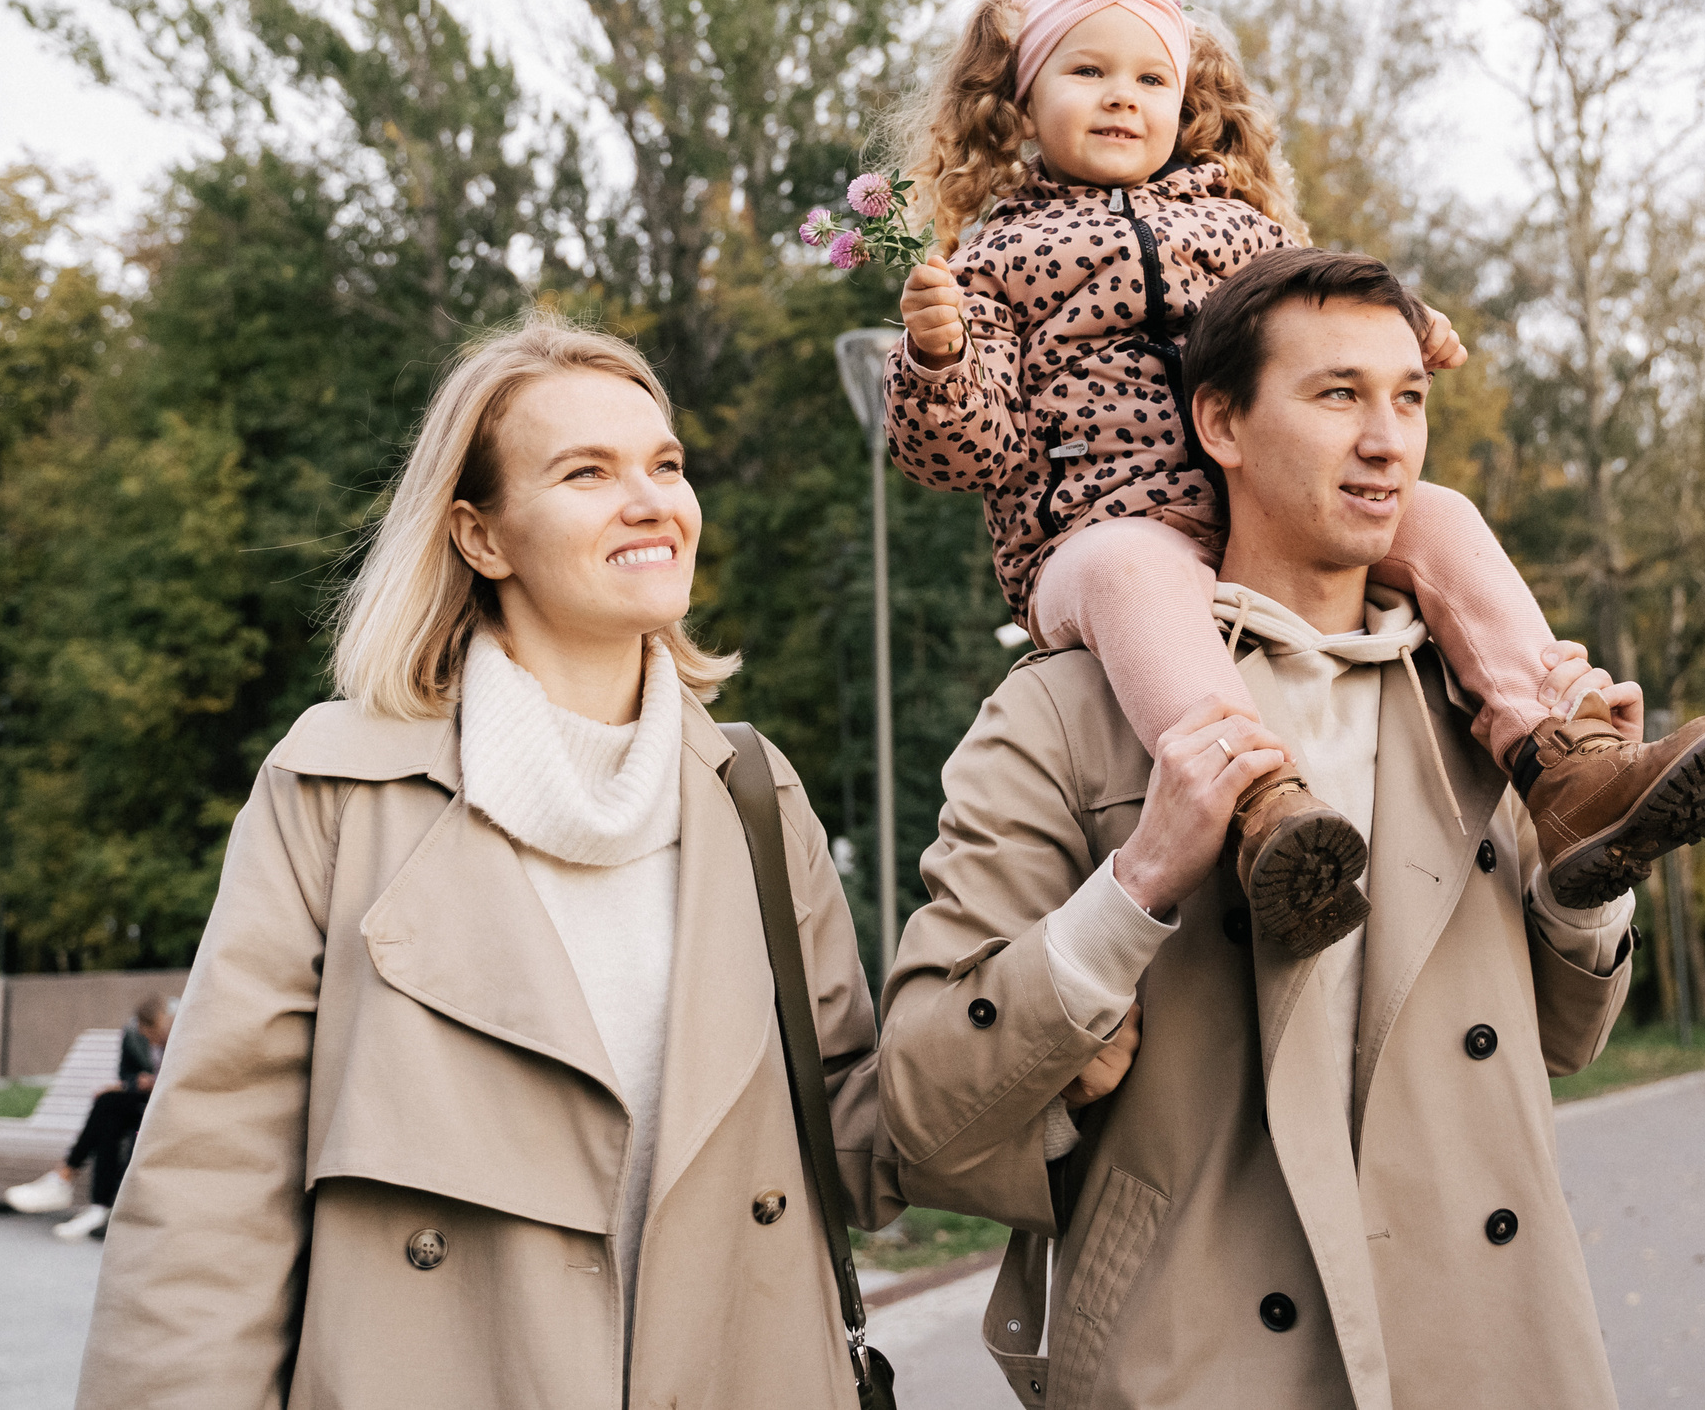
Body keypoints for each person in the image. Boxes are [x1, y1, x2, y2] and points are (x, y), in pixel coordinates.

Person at [72, 314, 1126, 1409]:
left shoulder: (755, 797)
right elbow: (210, 1194)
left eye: (665, 465)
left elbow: (855, 1140)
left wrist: (1045, 1033)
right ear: (481, 538)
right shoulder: (338, 791)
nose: (651, 501)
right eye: (586, 472)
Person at [879, 251, 1647, 1408]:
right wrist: (1134, 890)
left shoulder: (1487, 706)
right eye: (1338, 394)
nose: (1387, 438)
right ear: (1220, 424)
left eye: (1409, 397)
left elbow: (1560, 1037)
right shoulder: (1065, 712)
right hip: (1196, 1357)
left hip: (1491, 1350)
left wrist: (1600, 863)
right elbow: (923, 1112)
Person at [885, 0, 1705, 955]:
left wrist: (1400, 325)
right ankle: (1261, 808)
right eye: (1087, 71)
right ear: (1023, 100)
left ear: (1186, 103)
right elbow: (963, 454)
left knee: (1438, 514)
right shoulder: (992, 258)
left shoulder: (1238, 229)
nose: (1122, 96)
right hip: (1092, 535)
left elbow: (1317, 314)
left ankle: (1564, 759)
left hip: (1258, 504)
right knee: (1136, 569)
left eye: (1149, 80)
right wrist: (937, 354)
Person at [2, 994, 173, 1240]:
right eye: (151, 1036)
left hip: (167, 1104)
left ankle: (72, 1184)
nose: (156, 1040)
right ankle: (93, 1203)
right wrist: (135, 1082)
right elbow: (126, 1075)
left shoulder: (187, 1027)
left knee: (113, 1113)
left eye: (158, 1035)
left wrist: (154, 1082)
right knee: (107, 1107)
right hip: (144, 1102)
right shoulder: (133, 1035)